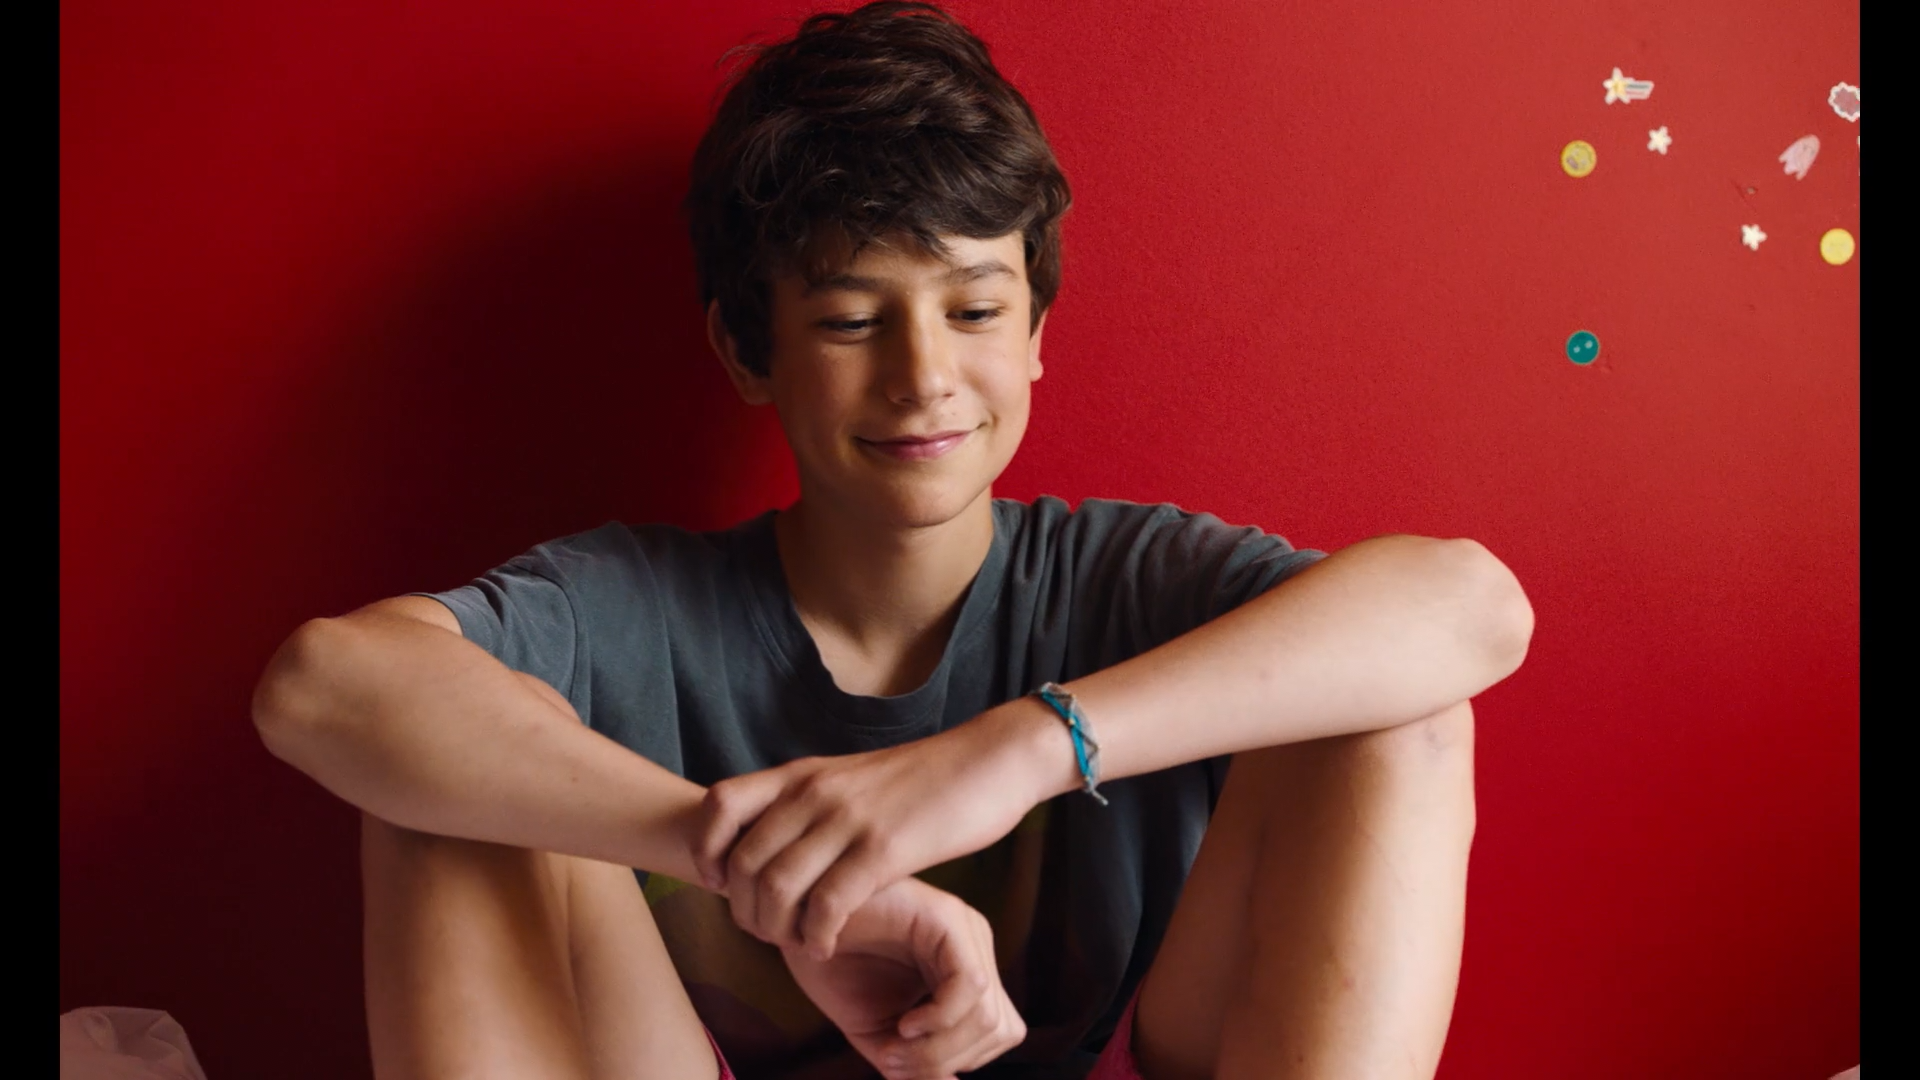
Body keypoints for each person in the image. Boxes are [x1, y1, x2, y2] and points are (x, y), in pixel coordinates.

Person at [251, 3, 1534, 1078]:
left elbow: (1474, 607)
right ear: (747, 350)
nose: (924, 379)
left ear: (1036, 333)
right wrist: (771, 865)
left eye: (974, 311)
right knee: (442, 770)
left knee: (1395, 708)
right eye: (854, 322)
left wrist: (1015, 753)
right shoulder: (638, 604)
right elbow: (321, 685)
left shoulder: (1121, 581)